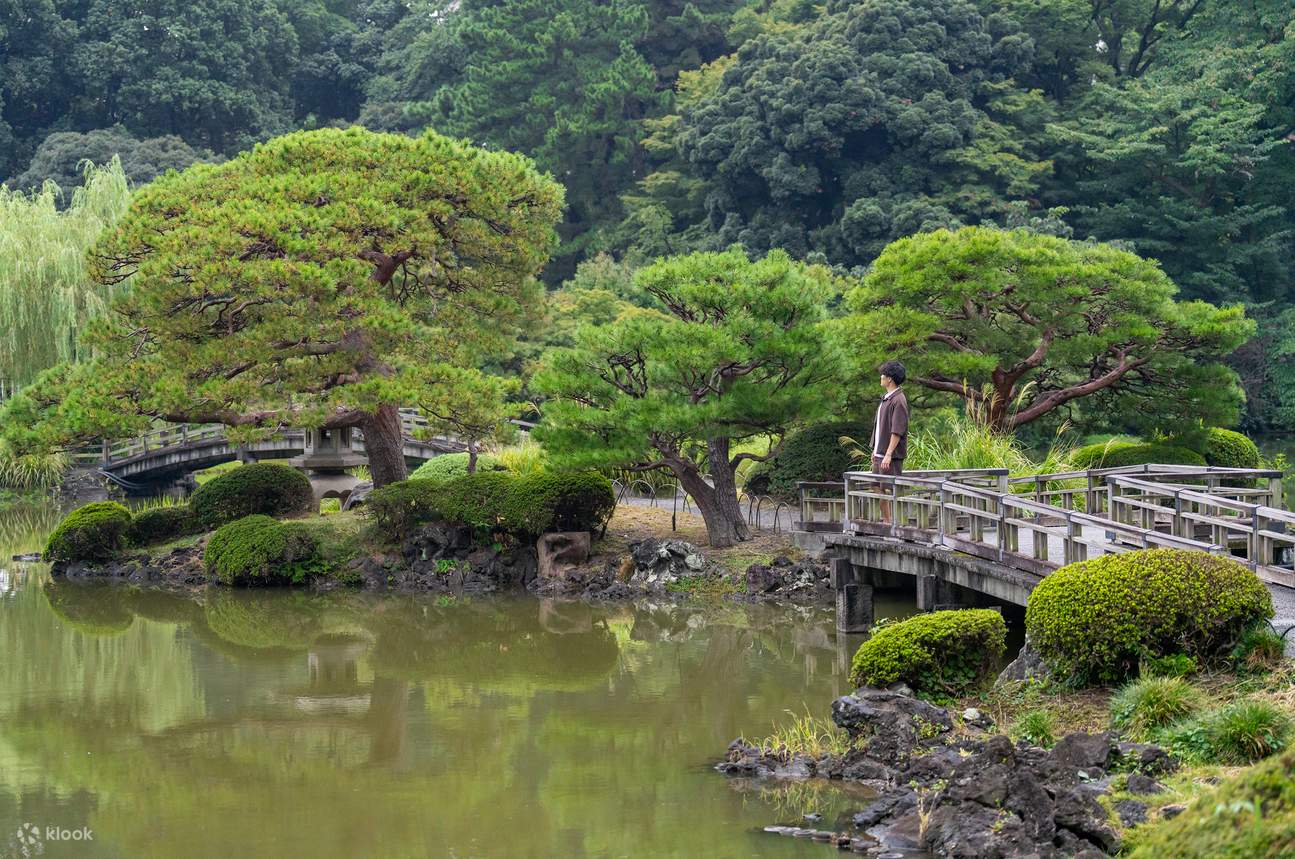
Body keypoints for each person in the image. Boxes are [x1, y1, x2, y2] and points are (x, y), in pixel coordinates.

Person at [872, 360, 909, 524]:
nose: (881, 377)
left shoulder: (898, 400)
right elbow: (879, 428)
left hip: (891, 456)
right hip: (880, 453)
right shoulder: (886, 399)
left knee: (889, 488)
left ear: (890, 379)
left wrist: (888, 454)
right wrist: (874, 450)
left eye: (883, 375)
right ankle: (887, 521)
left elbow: (897, 430)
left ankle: (895, 524)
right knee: (877, 486)